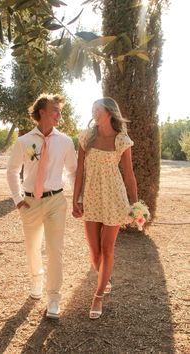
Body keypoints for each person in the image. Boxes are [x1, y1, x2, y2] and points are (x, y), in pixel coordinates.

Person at [7, 93, 77, 319]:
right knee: (32, 247)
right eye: (55, 110)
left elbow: (73, 171)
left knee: (55, 250)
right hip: (30, 202)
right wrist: (18, 199)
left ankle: (54, 297)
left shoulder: (66, 142)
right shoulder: (24, 142)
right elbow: (11, 171)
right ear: (42, 112)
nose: (59, 114)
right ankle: (36, 281)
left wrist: (78, 199)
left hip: (56, 201)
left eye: (60, 110)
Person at [73, 97, 138, 319]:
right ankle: (104, 277)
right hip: (91, 198)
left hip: (114, 199)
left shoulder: (122, 140)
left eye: (97, 109)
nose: (93, 113)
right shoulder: (86, 137)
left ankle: (98, 295)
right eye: (92, 109)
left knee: (107, 248)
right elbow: (79, 170)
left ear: (109, 112)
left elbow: (129, 174)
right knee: (94, 250)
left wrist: (135, 204)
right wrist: (76, 199)